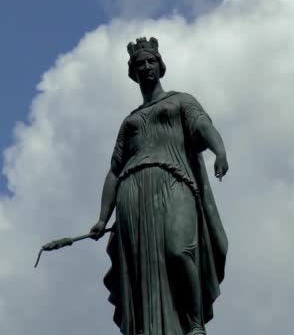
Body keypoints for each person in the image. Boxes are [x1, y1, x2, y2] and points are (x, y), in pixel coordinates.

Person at [89, 37, 229, 335]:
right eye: (140, 64)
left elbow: (203, 126)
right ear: (133, 72)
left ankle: (194, 324)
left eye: (151, 61)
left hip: (174, 182)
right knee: (141, 271)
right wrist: (103, 218)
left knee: (178, 250)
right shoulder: (130, 122)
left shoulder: (180, 101)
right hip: (133, 193)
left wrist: (220, 151)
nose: (146, 67)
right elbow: (114, 171)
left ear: (161, 66)